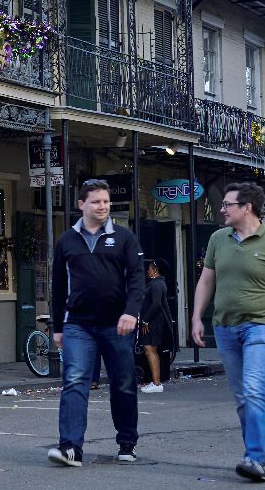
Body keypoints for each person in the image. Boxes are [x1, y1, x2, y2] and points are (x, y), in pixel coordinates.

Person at [191, 181, 265, 483]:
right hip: (225, 327)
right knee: (242, 396)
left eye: (228, 204)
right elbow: (206, 281)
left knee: (254, 389)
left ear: (247, 208)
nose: (222, 208)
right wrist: (196, 317)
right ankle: (260, 450)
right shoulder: (218, 239)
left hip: (262, 326)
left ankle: (253, 457)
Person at [47, 179, 146, 467]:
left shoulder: (125, 238)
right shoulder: (67, 240)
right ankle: (70, 448)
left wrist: (131, 312)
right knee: (75, 381)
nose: (102, 206)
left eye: (105, 201)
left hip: (117, 324)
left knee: (123, 383)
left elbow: (137, 279)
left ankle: (127, 442)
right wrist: (58, 327)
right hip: (78, 324)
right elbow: (58, 286)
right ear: (81, 205)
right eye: (96, 202)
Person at [139, 259, 175, 394]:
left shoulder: (156, 284)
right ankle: (155, 381)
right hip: (154, 321)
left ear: (155, 270)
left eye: (149, 268)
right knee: (151, 350)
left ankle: (156, 383)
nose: (147, 271)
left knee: (150, 350)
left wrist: (145, 320)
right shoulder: (159, 283)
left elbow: (156, 304)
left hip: (154, 322)